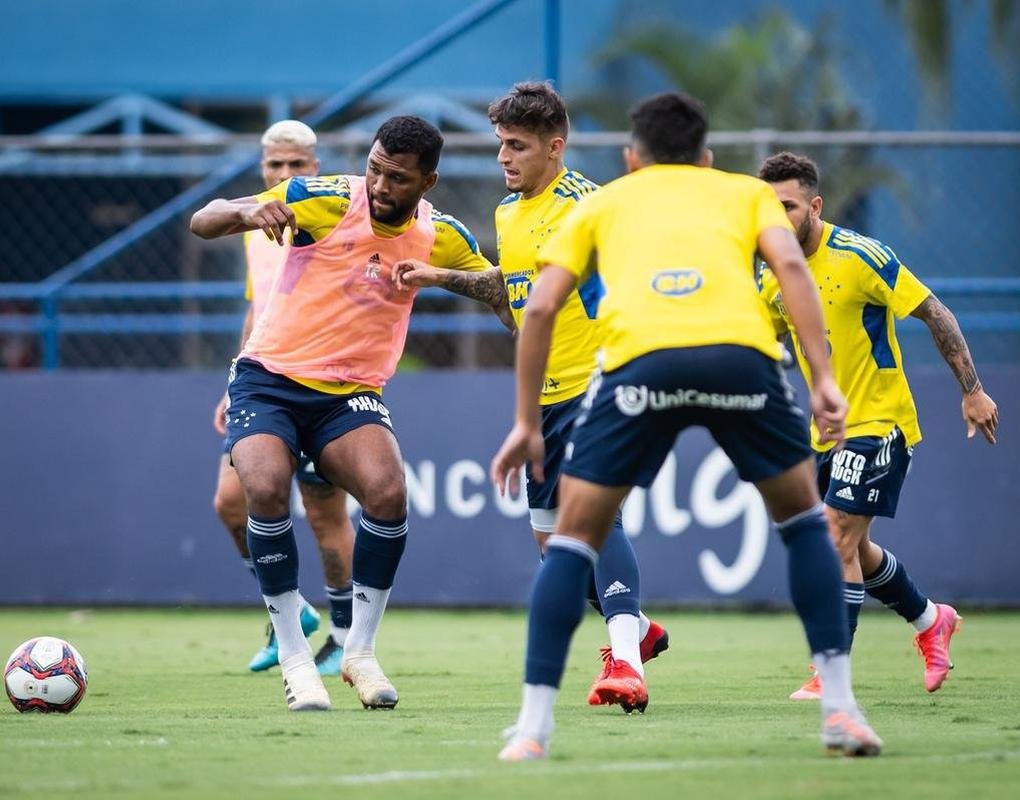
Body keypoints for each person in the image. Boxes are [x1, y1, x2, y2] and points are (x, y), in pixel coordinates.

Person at [490, 92, 882, 760]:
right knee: (802, 524)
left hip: (639, 364)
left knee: (571, 539)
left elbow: (541, 308)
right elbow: (791, 269)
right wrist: (821, 379)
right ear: (704, 158)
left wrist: (526, 421)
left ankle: (532, 728)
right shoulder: (744, 194)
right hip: (740, 360)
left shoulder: (601, 201)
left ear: (630, 157)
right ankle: (840, 710)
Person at [191, 115, 510, 712]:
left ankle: (358, 653)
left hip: (349, 393)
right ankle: (293, 657)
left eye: (398, 179)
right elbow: (202, 219)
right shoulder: (324, 199)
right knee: (261, 485)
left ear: (428, 181)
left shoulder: (443, 236)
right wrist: (243, 212)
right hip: (269, 378)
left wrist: (446, 278)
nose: (381, 186)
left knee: (388, 494)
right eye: (375, 169)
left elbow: (506, 300)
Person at [395, 82, 668, 712]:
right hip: (544, 396)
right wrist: (440, 276)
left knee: (593, 519)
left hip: (602, 379)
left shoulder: (592, 206)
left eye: (516, 146)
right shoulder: (509, 212)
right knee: (557, 545)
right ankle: (638, 628)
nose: (503, 159)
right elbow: (511, 291)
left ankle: (627, 663)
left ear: (556, 146)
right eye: (499, 146)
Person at [755, 151, 998, 699]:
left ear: (814, 205)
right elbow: (762, 336)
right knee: (855, 549)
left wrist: (972, 391)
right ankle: (931, 620)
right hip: (828, 433)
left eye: (787, 207)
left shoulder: (860, 256)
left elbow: (935, 312)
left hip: (881, 420)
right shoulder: (771, 275)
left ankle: (831, 671)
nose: (776, 219)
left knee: (835, 534)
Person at [210, 120, 354, 677]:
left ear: (314, 168)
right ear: (262, 168)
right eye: (276, 166)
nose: (286, 175)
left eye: (297, 165)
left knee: (323, 512)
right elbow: (258, 307)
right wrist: (234, 376)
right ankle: (289, 609)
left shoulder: (333, 219)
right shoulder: (252, 226)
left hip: (321, 382)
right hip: (261, 380)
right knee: (229, 502)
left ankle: (343, 634)